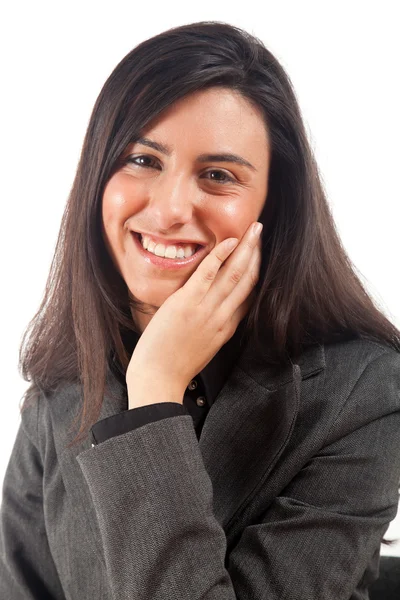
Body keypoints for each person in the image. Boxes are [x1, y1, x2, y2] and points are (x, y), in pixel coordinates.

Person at [1, 20, 399, 600]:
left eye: (218, 176)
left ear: (274, 206)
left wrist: (155, 390)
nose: (168, 211)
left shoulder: (362, 391)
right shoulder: (62, 384)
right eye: (142, 159)